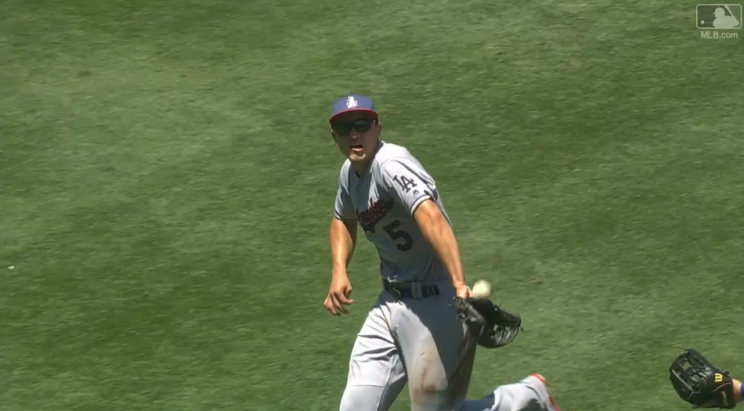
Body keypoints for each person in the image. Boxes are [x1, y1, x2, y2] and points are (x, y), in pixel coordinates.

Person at [323, 94, 561, 411]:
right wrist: (340, 269)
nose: (354, 134)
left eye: (362, 125)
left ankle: (528, 396)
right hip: (390, 305)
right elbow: (342, 218)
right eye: (344, 128)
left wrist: (460, 283)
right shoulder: (349, 174)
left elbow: (431, 217)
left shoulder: (391, 165)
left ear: (377, 128)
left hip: (437, 305)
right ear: (335, 135)